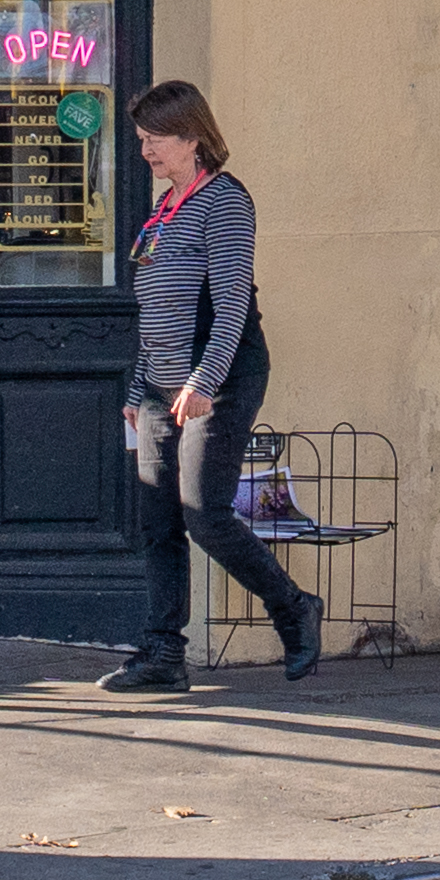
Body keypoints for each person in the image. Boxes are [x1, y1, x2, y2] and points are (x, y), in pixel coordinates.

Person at [110, 79, 319, 691]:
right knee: (159, 523)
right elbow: (154, 311)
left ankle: (293, 607)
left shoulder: (224, 202)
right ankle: (162, 656)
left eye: (155, 140)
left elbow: (230, 306)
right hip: (159, 385)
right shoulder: (162, 210)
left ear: (192, 137)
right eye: (142, 140)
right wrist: (135, 390)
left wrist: (204, 380)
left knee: (203, 513)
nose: (145, 151)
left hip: (218, 377)